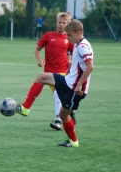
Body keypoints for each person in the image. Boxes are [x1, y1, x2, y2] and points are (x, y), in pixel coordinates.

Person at [16, 19, 94, 147]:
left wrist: (79, 84)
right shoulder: (77, 44)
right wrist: (70, 70)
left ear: (78, 32)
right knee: (41, 77)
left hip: (75, 88)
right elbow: (78, 64)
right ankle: (26, 108)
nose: (67, 37)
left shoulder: (83, 46)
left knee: (64, 114)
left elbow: (90, 66)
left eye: (70, 35)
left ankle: (73, 141)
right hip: (68, 81)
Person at [34, 12, 76, 131]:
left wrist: (71, 61)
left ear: (67, 24)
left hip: (63, 72)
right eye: (59, 22)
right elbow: (37, 50)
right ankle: (70, 112)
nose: (61, 25)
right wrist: (39, 60)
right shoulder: (48, 35)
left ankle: (58, 120)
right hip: (49, 72)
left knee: (58, 95)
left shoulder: (68, 39)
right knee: (61, 95)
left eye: (64, 23)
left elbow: (73, 52)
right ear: (56, 23)